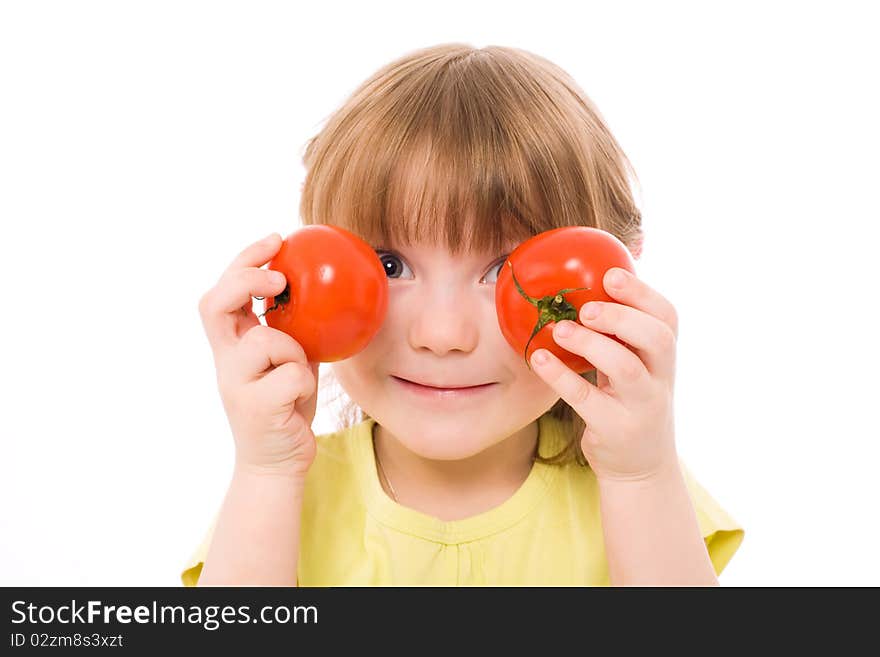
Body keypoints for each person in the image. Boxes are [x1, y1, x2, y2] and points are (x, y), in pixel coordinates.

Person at [181, 43, 744, 587]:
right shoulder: (279, 490)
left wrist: (640, 476)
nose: (442, 336)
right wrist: (266, 473)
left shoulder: (639, 483)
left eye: (504, 268)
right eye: (389, 264)